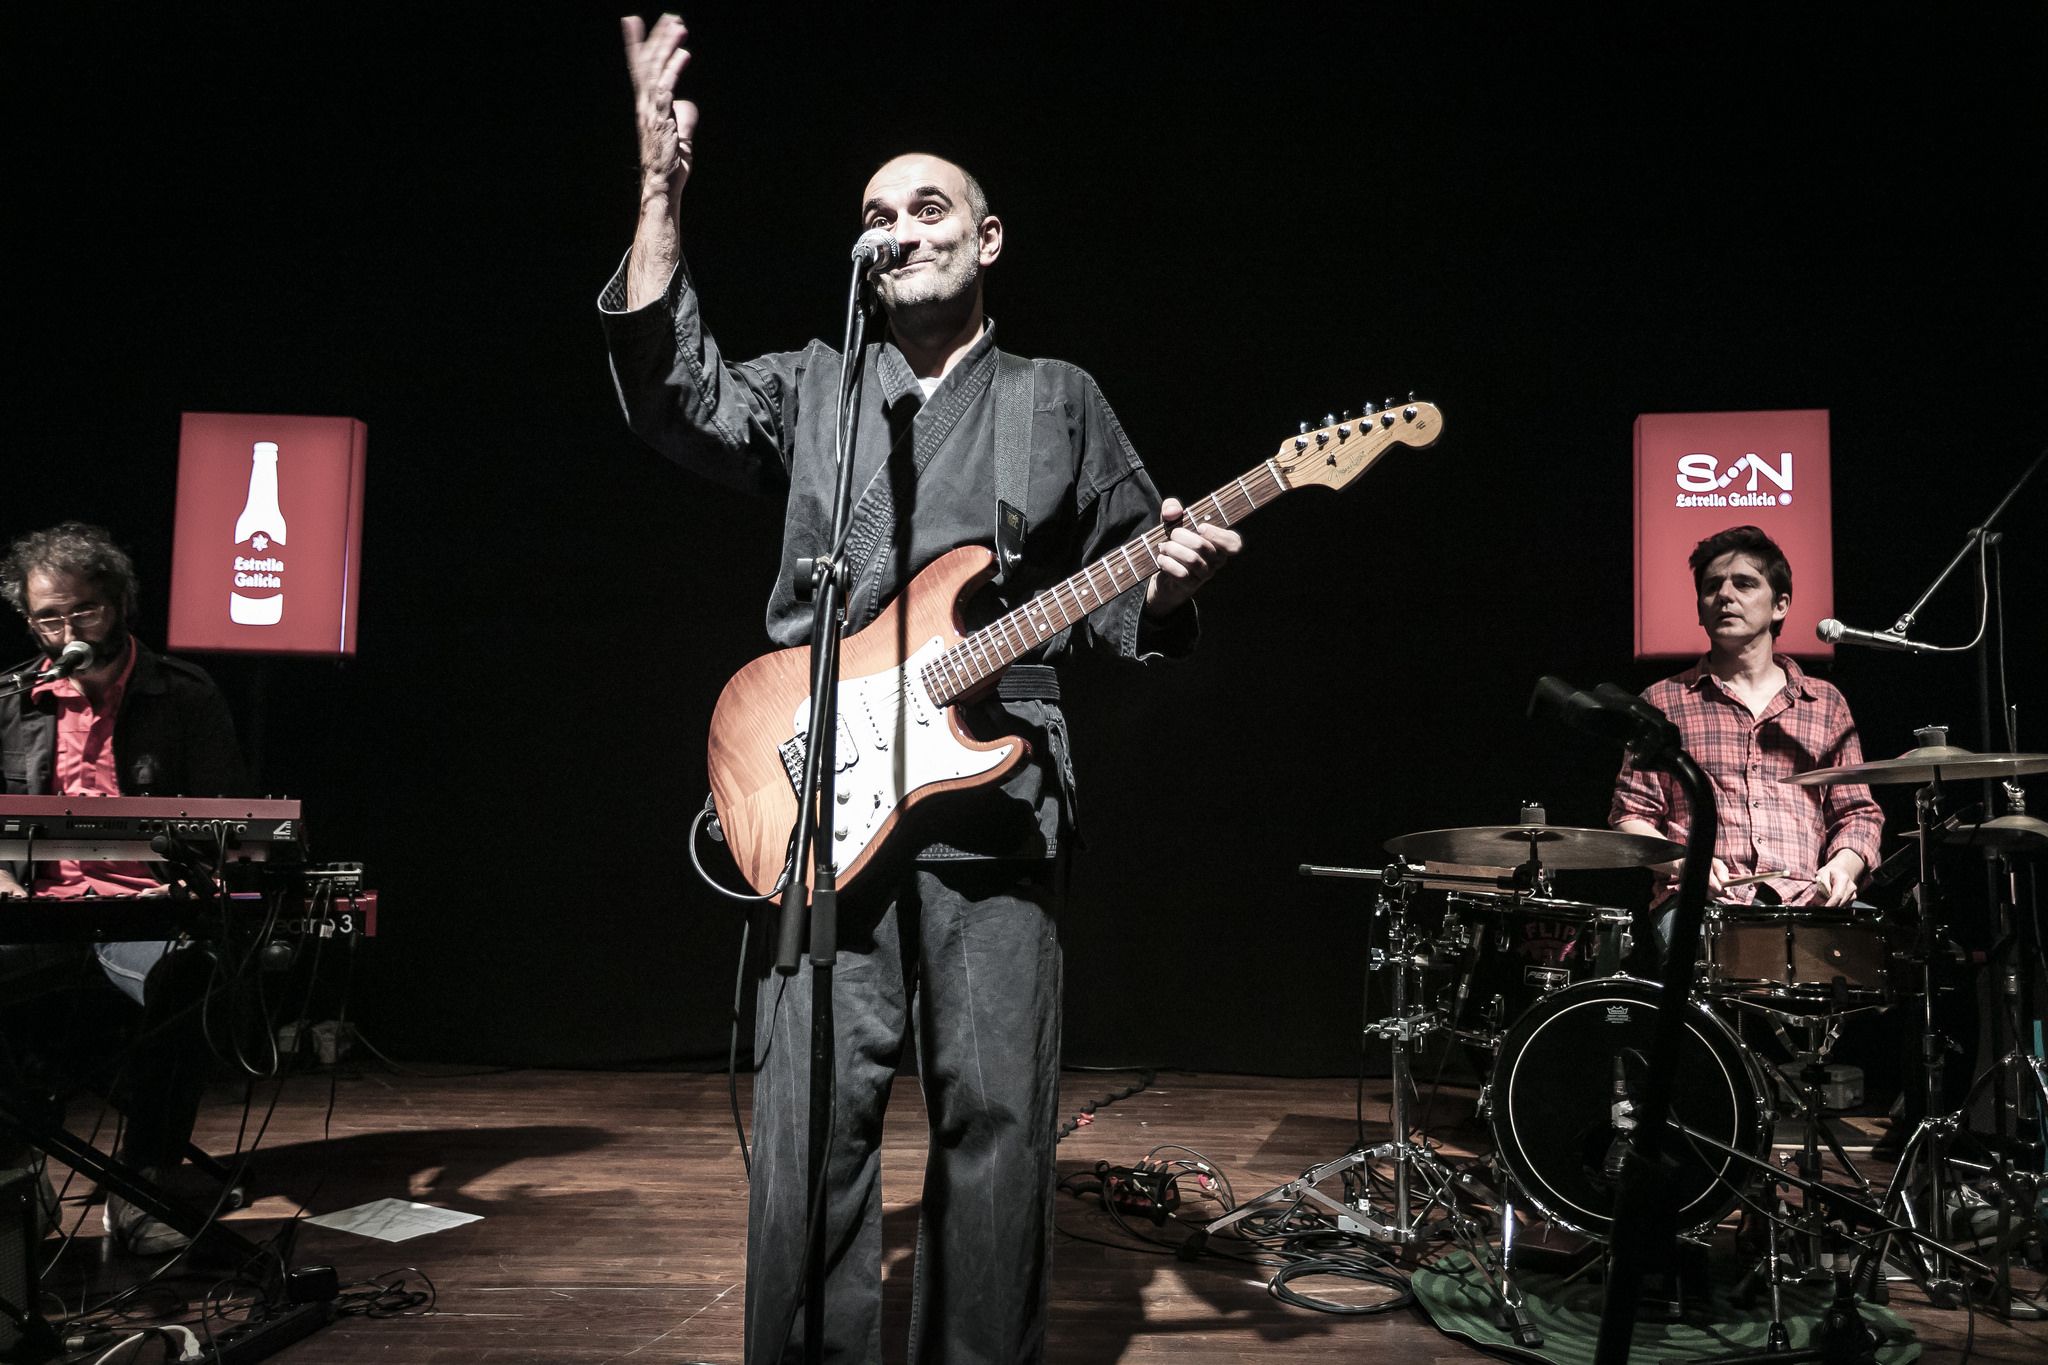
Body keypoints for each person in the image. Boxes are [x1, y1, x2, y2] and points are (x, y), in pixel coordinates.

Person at [601, 15, 1241, 1362]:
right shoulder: (818, 384)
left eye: (930, 205)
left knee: (995, 1124)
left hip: (990, 809)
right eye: (876, 212)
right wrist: (661, 190)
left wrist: (1169, 583)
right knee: (806, 1129)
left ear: (989, 240)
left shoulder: (1058, 396)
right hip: (819, 797)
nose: (899, 228)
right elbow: (672, 394)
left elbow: (1131, 577)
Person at [0, 521, 250, 1254]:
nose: (67, 628)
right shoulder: (11, 701)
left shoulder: (183, 695)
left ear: (119, 605)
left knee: (190, 972)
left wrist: (189, 881)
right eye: (49, 615)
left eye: (85, 611)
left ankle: (142, 1182)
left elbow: (230, 824)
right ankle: (17, 1168)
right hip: (42, 916)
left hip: (143, 919)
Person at [1610, 525, 1883, 924]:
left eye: (1744, 584)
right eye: (1712, 586)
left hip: (1806, 901)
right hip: (1699, 906)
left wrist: (1844, 867)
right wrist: (1685, 863)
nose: (1724, 596)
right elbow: (1630, 815)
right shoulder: (1662, 701)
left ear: (1780, 605)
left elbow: (1858, 814)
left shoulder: (1825, 703)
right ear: (1700, 608)